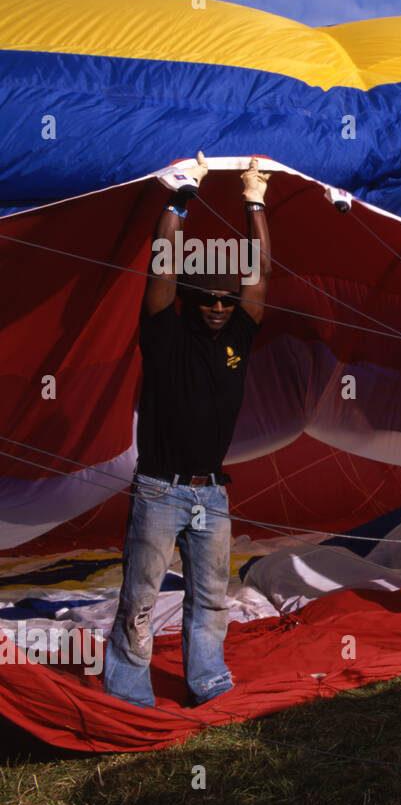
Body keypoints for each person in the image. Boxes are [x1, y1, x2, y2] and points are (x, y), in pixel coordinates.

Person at [102, 153, 272, 708]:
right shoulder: (164, 335)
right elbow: (162, 270)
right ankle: (129, 691)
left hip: (212, 494)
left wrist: (255, 200)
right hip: (159, 489)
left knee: (212, 599)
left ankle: (208, 683)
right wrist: (180, 199)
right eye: (211, 297)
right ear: (192, 300)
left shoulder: (238, 339)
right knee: (142, 599)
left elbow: (261, 272)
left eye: (229, 297)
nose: (222, 305)